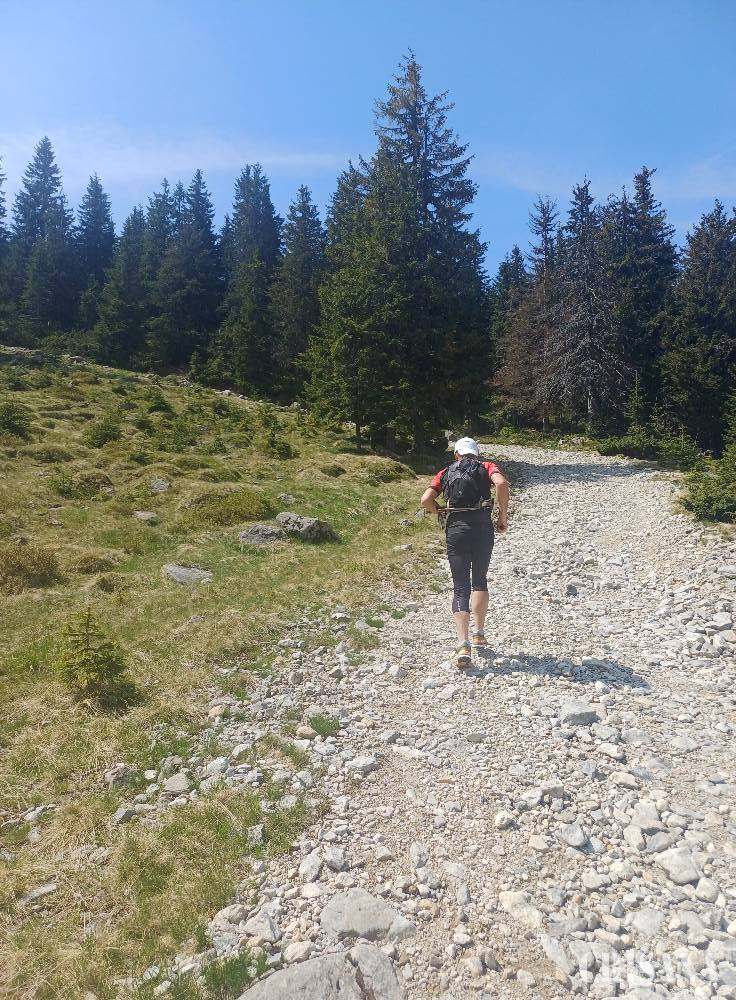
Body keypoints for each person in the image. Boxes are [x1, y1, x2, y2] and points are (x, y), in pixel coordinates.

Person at [421, 437, 509, 668]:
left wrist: (439, 511)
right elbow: (501, 484)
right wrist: (502, 517)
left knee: (460, 587)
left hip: (456, 531)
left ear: (456, 454)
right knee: (480, 580)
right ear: (476, 454)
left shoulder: (445, 472)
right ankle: (479, 633)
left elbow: (425, 500)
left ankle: (463, 645)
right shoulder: (487, 466)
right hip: (482, 529)